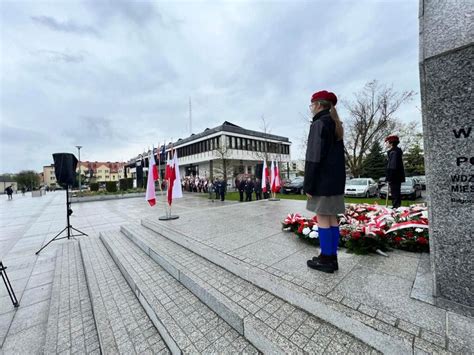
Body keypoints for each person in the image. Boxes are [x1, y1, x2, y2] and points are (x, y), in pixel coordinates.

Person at [304, 90, 346, 274]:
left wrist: (309, 184)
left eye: (312, 104)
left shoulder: (319, 124)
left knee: (322, 218)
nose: (311, 108)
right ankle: (330, 257)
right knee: (332, 218)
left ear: (318, 105)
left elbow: (313, 157)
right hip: (335, 181)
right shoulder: (335, 124)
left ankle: (326, 259)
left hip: (322, 181)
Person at [385, 135, 405, 209]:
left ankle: (396, 207)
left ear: (391, 143)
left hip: (394, 176)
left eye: (387, 142)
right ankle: (397, 206)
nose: (386, 144)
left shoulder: (393, 152)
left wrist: (389, 177)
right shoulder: (395, 151)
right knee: (396, 192)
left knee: (395, 193)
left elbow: (392, 166)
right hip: (396, 176)